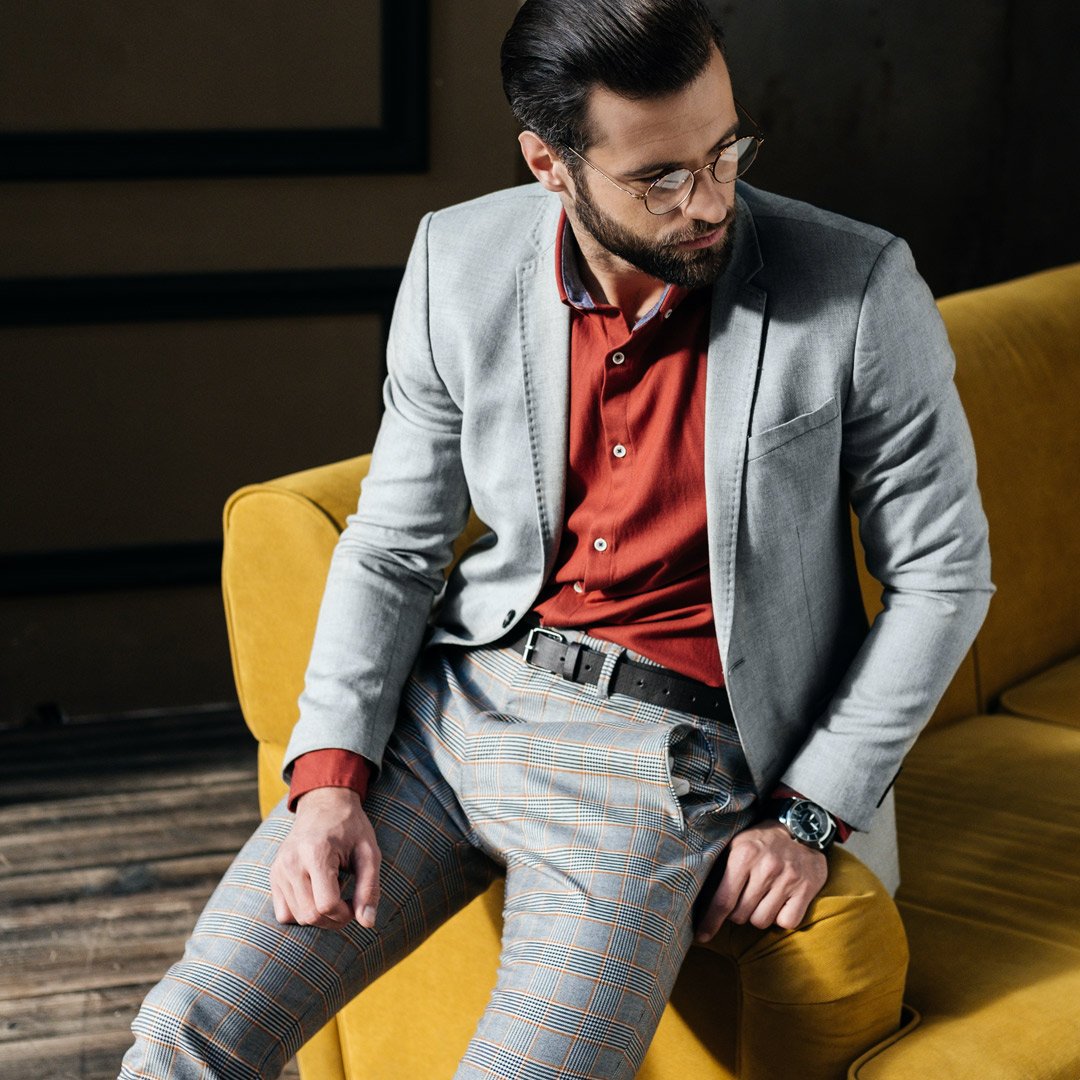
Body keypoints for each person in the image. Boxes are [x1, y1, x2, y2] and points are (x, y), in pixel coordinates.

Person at [120, 1, 992, 1076]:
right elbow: (394, 544)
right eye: (660, 178)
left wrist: (808, 814)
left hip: (667, 762)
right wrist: (333, 779)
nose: (711, 199)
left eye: (726, 151)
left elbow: (945, 574)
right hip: (453, 711)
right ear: (550, 164)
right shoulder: (458, 260)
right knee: (184, 1032)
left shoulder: (856, 286)